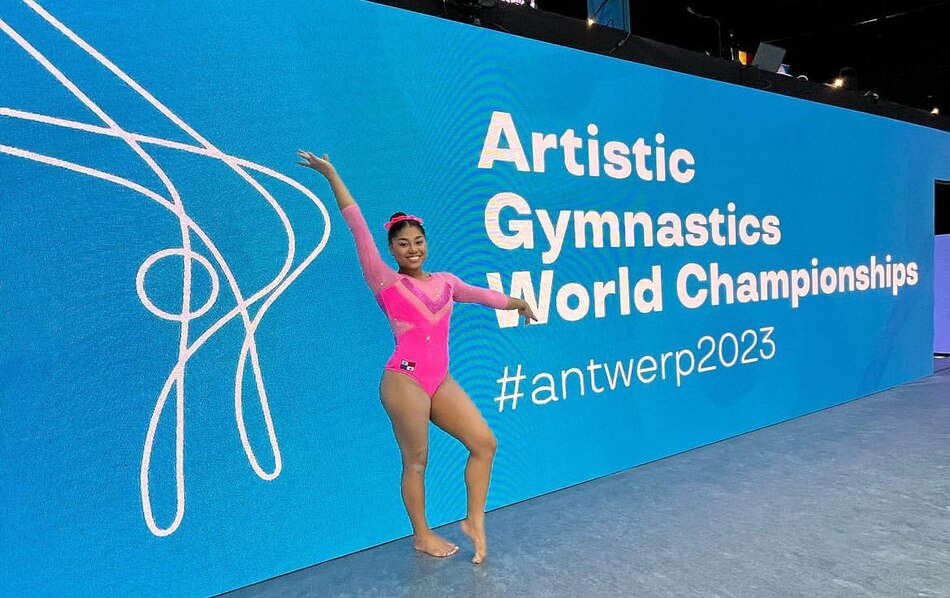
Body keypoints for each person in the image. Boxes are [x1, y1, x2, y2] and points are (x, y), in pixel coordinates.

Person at [297, 150, 536, 564]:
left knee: (484, 443)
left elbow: (483, 295)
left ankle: (474, 519)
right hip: (403, 379)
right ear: (391, 248)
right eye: (403, 243)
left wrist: (517, 302)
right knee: (417, 460)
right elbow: (355, 225)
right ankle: (422, 535)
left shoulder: (446, 282)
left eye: (419, 242)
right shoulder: (383, 279)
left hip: (438, 379)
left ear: (427, 245)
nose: (413, 249)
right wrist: (332, 174)